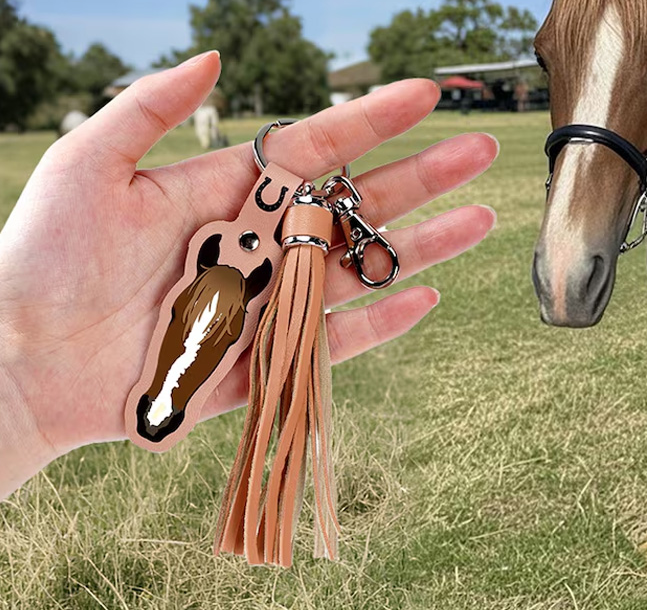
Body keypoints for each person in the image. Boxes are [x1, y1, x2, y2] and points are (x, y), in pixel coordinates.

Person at [0, 51, 498, 499]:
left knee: (195, 348)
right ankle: (166, 394)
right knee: (191, 344)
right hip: (225, 295)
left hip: (228, 297)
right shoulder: (229, 261)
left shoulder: (227, 262)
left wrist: (19, 379)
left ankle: (167, 393)